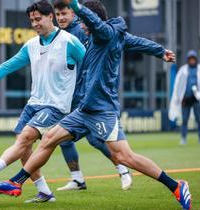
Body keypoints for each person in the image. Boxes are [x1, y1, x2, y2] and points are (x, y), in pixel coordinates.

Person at [0, 0, 192, 209]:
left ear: (92, 20)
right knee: (49, 138)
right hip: (84, 109)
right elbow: (137, 42)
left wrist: (74, 4)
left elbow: (97, 23)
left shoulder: (104, 33)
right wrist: (159, 51)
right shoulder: (106, 36)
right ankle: (15, 183)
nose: (81, 25)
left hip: (103, 110)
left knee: (124, 156)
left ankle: (175, 185)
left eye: (83, 21)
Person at [0, 0, 86, 203]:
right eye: (32, 20)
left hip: (56, 106)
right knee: (24, 146)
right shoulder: (31, 45)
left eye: (38, 19)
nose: (35, 23)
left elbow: (93, 62)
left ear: (51, 17)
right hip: (34, 103)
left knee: (26, 137)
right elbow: (7, 66)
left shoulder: (69, 41)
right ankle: (45, 192)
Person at [54, 0, 132, 191]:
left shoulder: (82, 31)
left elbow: (95, 63)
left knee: (96, 139)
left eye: (65, 13)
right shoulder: (59, 35)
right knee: (61, 139)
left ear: (74, 14)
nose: (61, 18)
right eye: (58, 14)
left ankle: (123, 169)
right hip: (69, 96)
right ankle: (77, 179)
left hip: (87, 97)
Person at [169, 50, 200, 145]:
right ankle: (183, 138)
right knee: (184, 119)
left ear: (196, 59)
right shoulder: (183, 69)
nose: (192, 61)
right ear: (188, 60)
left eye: (193, 59)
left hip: (197, 99)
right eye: (190, 59)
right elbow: (177, 85)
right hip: (185, 99)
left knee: (199, 119)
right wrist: (177, 97)